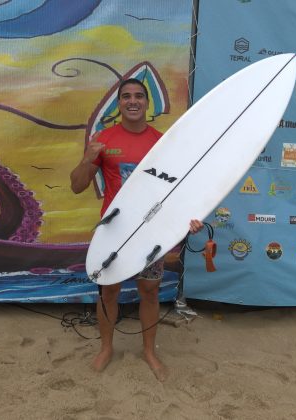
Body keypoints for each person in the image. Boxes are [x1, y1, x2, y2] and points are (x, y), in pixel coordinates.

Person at [70, 78, 203, 381]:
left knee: (150, 290)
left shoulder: (162, 141)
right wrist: (89, 159)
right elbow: (77, 186)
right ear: (119, 104)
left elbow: (176, 191)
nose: (133, 101)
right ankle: (106, 348)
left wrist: (188, 221)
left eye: (139, 96)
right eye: (126, 96)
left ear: (146, 102)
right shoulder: (103, 140)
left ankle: (149, 351)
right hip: (113, 230)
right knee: (109, 291)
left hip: (151, 233)